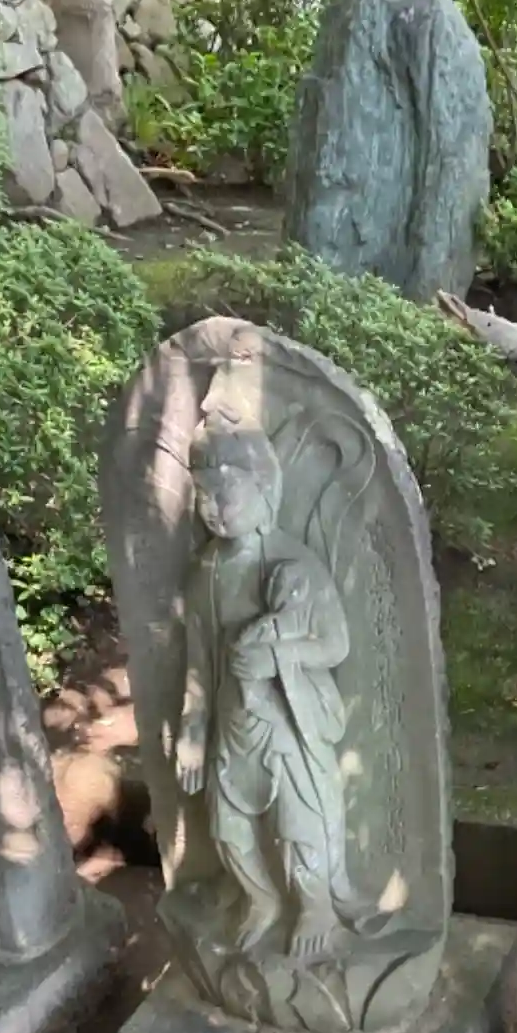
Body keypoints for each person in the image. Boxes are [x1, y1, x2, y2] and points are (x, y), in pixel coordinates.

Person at [174, 401, 365, 960]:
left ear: (264, 489)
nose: (213, 509)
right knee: (227, 824)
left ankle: (315, 904)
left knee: (298, 817)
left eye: (226, 493)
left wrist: (278, 654)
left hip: (285, 718)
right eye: (203, 495)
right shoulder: (205, 573)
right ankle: (260, 898)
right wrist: (192, 730)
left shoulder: (294, 566)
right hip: (231, 720)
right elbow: (198, 662)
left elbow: (334, 644)